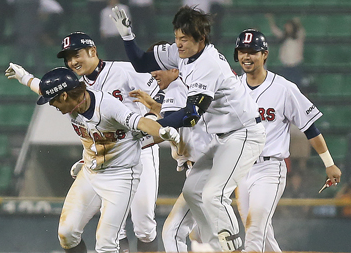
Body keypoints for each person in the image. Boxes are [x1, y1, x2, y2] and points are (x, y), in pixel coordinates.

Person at [110, 6, 266, 251]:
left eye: (184, 39)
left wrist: (150, 127)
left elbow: (191, 115)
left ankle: (235, 249)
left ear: (201, 39)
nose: (178, 44)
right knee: (194, 191)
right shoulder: (181, 53)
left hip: (244, 133)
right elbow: (141, 62)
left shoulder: (209, 64)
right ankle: (219, 247)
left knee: (214, 194)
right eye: (176, 37)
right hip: (223, 138)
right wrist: (127, 36)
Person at [6, 31, 162, 252]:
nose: (72, 61)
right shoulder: (74, 87)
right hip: (102, 158)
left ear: (93, 51)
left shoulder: (125, 70)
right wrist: (25, 77)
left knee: (144, 224)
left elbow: (162, 93)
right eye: (67, 58)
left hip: (140, 150)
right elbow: (49, 90)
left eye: (75, 54)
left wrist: (159, 119)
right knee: (114, 232)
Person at [233, 29, 342, 252]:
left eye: (252, 51)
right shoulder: (232, 88)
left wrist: (329, 163)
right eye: (242, 51)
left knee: (254, 231)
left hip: (270, 168)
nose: (246, 56)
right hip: (240, 168)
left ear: (265, 54)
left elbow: (310, 127)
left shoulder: (284, 88)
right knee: (262, 234)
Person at [129, 57, 212, 252]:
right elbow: (177, 118)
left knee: (175, 233)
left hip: (204, 170)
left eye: (158, 68)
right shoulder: (188, 85)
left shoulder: (176, 87)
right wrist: (154, 106)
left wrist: (126, 147)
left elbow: (166, 127)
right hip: (209, 167)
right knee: (202, 235)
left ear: (175, 69)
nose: (153, 73)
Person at [266, 14, 305, 88]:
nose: (288, 28)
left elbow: (301, 31)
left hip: (295, 66)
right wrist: (270, 19)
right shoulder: (284, 37)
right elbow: (275, 30)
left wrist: (297, 22)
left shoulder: (298, 37)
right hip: (285, 66)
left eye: (289, 27)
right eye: (286, 27)